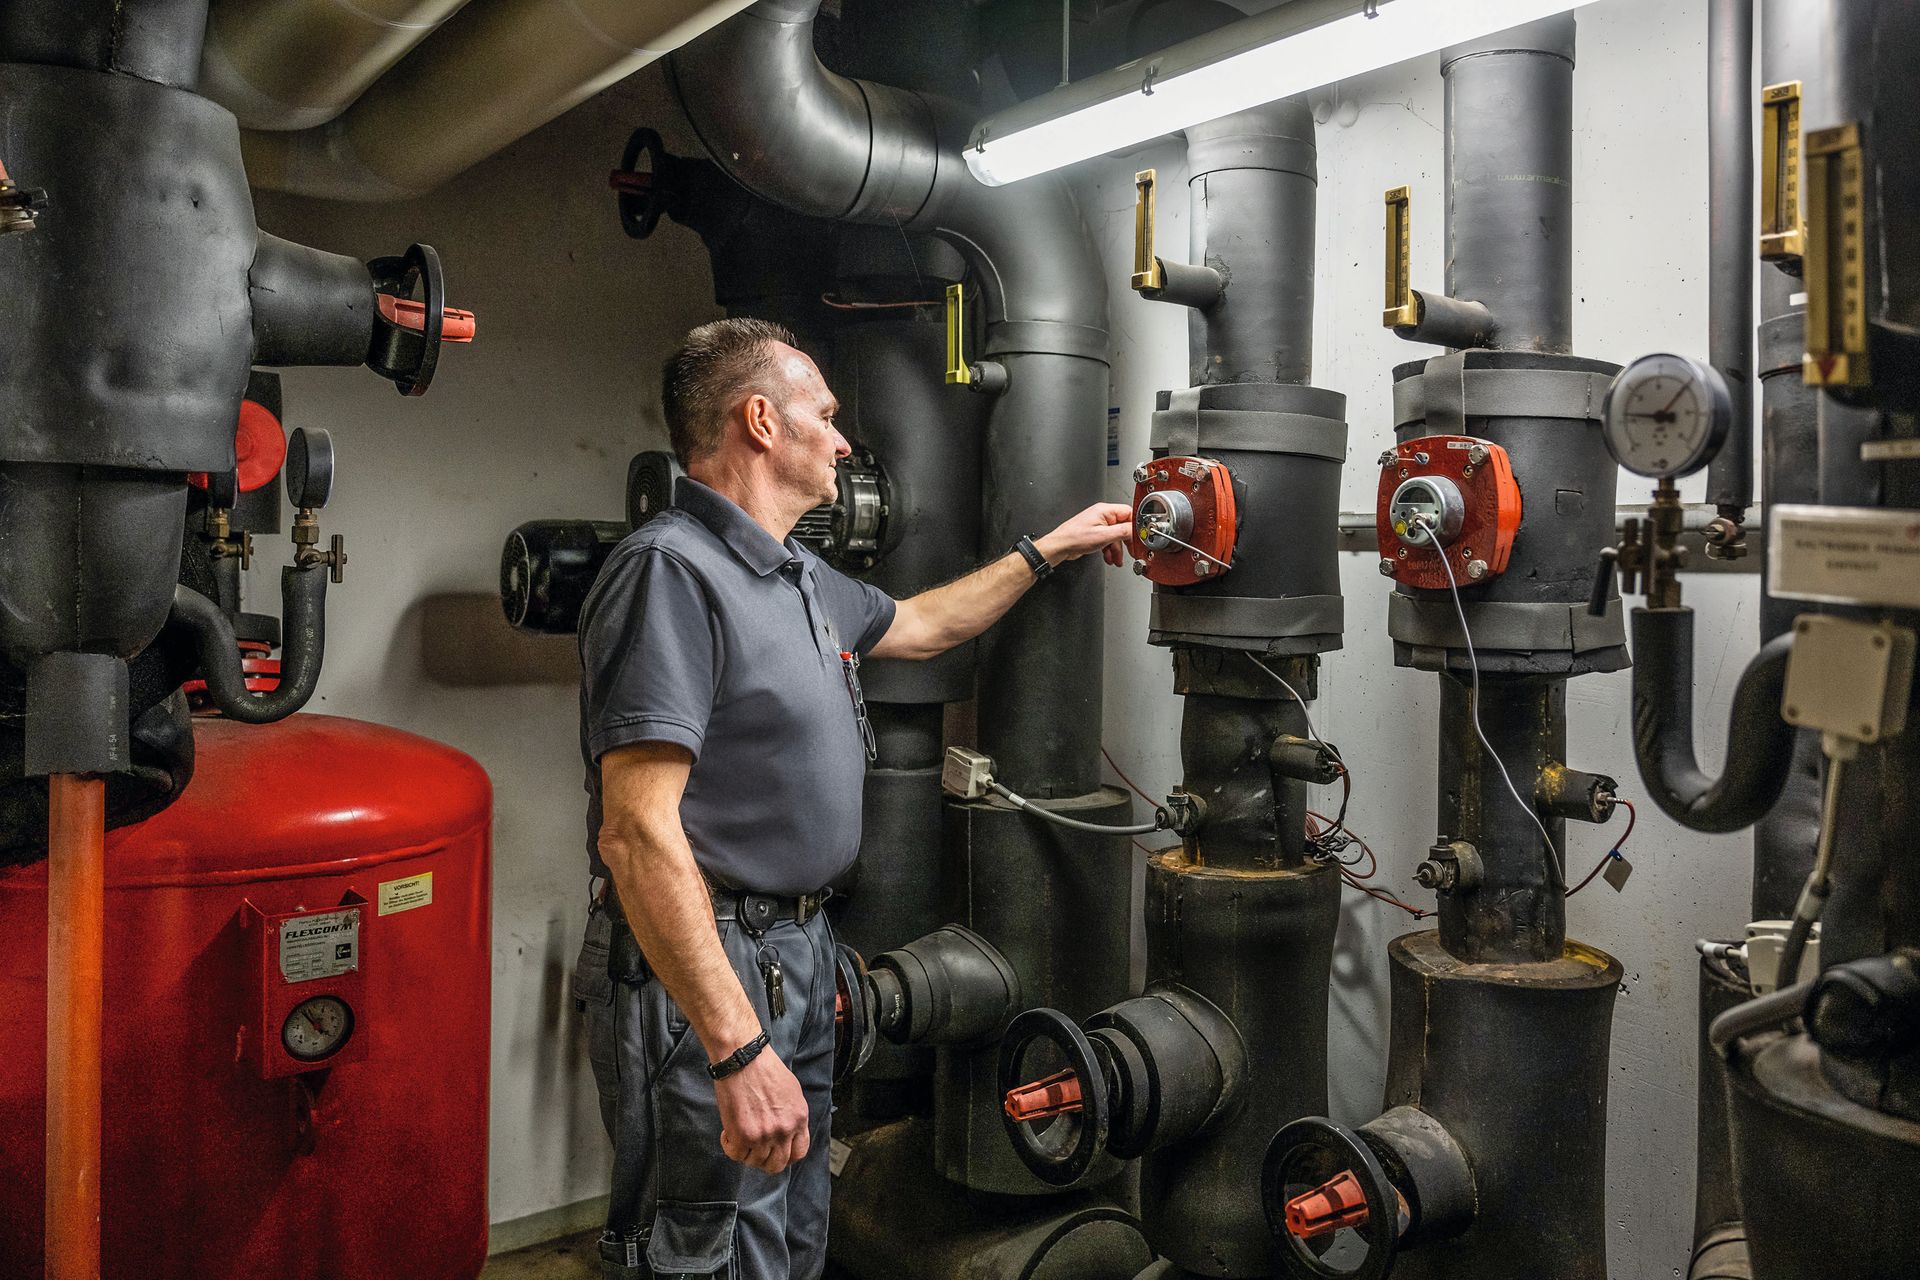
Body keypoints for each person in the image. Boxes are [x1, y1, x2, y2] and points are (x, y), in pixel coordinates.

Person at [575, 317, 1133, 1279]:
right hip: (714, 963)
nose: (842, 440)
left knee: (791, 1242)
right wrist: (737, 1047)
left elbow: (920, 623)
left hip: (797, 953)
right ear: (760, 421)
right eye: (825, 416)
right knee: (708, 1249)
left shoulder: (793, 571)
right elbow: (636, 833)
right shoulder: (672, 573)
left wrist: (1047, 551)